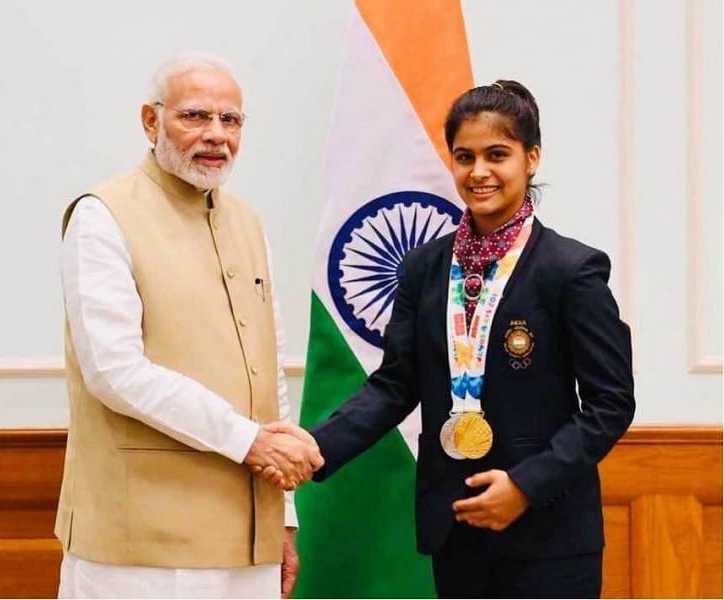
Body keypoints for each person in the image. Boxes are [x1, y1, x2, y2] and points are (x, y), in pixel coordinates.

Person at [270, 80, 635, 598]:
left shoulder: (571, 270)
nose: (479, 171)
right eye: (465, 156)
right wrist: (316, 444)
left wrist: (527, 486)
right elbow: (396, 384)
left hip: (549, 536)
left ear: (531, 158)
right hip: (454, 527)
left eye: (497, 154)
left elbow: (610, 404)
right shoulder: (424, 268)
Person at [54, 51, 323, 599]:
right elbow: (114, 371)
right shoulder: (102, 215)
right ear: (151, 121)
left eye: (231, 120)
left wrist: (284, 520)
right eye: (195, 116)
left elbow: (268, 376)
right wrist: (247, 440)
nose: (216, 135)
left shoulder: (247, 221)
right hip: (140, 546)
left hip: (246, 540)